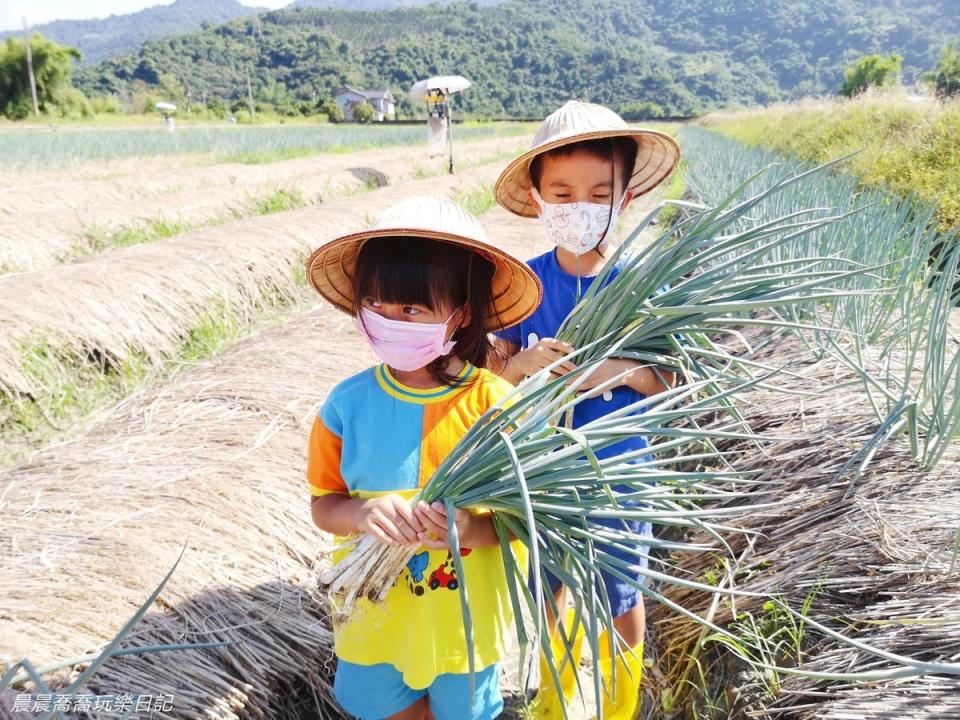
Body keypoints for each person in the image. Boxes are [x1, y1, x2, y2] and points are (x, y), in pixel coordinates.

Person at [305, 195, 543, 720]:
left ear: (459, 314)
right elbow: (325, 504)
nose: (391, 320)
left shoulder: (496, 406)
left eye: (411, 309)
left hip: (463, 623)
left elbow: (531, 520)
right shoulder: (346, 405)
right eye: (376, 305)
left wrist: (473, 530)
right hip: (375, 616)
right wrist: (360, 514)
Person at [493, 100, 682, 719]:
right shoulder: (521, 287)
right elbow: (488, 373)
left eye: (599, 192)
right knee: (546, 590)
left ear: (625, 197)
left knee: (621, 595)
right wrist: (524, 366)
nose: (581, 206)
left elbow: (679, 381)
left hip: (621, 476)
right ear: (539, 196)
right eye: (564, 192)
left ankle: (617, 701)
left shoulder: (642, 289)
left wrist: (615, 371)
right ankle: (552, 698)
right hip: (539, 478)